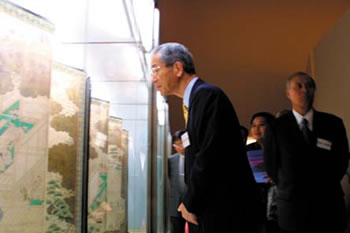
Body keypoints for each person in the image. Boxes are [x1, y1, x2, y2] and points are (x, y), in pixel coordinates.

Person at [151, 42, 260, 233]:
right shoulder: (195, 100)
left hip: (226, 211)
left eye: (156, 69)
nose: (153, 78)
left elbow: (210, 154)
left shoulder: (207, 96)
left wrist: (190, 201)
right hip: (215, 208)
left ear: (177, 68)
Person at [263, 71, 349, 233]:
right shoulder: (277, 127)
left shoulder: (333, 124)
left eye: (309, 86)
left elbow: (341, 161)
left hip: (328, 206)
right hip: (293, 209)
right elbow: (271, 167)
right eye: (299, 86)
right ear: (288, 93)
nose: (305, 90)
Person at [168, 130, 198, 233]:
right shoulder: (170, 160)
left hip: (190, 202)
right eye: (177, 144)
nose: (180, 147)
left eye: (182, 143)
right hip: (174, 202)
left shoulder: (195, 159)